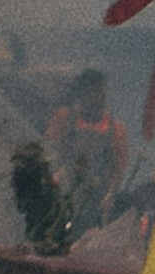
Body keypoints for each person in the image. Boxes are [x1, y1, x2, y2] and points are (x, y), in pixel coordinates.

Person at [40, 69, 130, 223]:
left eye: (101, 91)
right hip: (63, 189)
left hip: (95, 197)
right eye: (92, 91)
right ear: (81, 93)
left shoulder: (116, 129)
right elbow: (49, 152)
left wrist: (110, 195)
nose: (98, 97)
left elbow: (119, 169)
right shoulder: (64, 119)